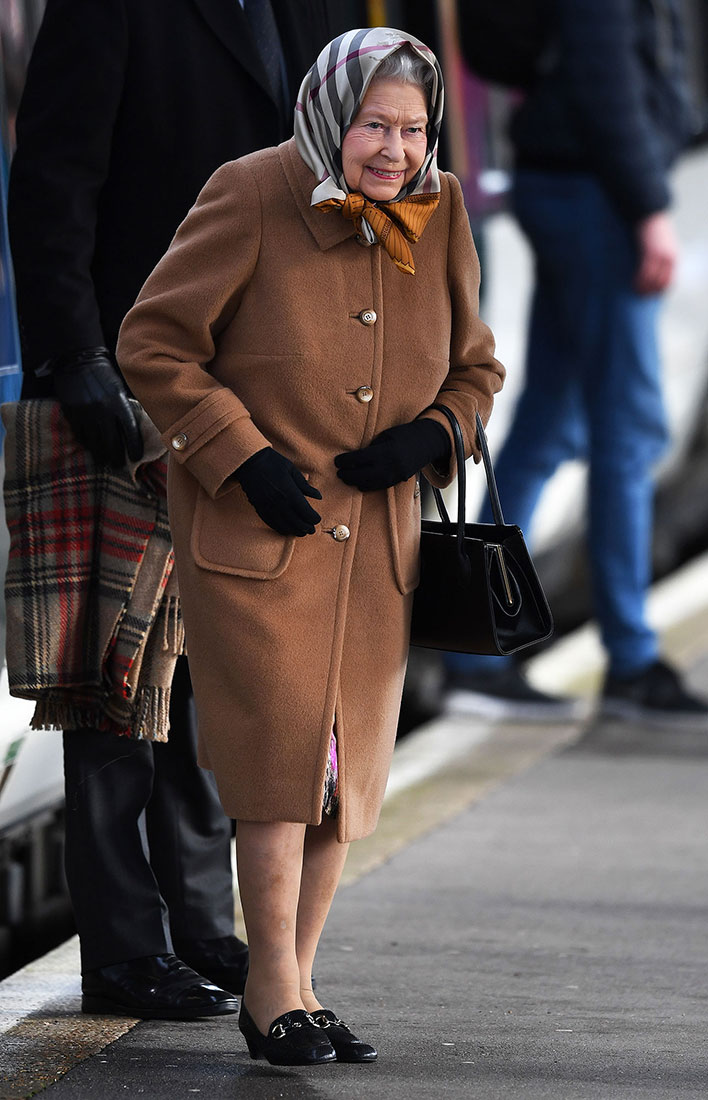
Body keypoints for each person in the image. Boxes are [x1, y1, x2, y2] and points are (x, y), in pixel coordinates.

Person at [117, 26, 504, 1064]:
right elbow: (153, 339)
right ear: (334, 110)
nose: (394, 150)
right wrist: (239, 457)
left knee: (344, 779)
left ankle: (300, 979)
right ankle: (270, 988)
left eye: (414, 130)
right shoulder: (251, 192)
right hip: (260, 536)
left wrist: (436, 432)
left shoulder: (444, 207)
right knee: (280, 765)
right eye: (376, 124)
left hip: (374, 552)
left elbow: (478, 368)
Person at [7, 0, 330, 1018]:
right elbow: (53, 176)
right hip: (126, 389)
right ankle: (122, 948)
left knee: (213, 665)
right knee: (114, 675)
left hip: (254, 386)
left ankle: (198, 921)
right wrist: (72, 356)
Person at [449, 0, 708, 724]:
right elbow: (604, 75)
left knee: (547, 428)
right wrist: (648, 206)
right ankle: (630, 660)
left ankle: (473, 651)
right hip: (600, 197)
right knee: (629, 430)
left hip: (571, 186)